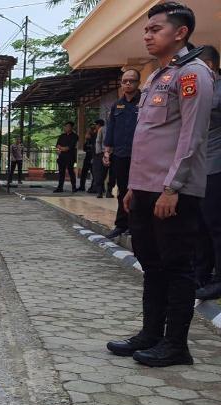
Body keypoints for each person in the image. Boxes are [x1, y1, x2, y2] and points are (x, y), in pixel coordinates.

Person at [106, 2, 214, 368]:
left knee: (176, 266)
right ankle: (150, 333)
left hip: (174, 191)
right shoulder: (156, 76)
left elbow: (191, 135)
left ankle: (175, 344)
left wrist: (172, 188)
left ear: (180, 32)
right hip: (146, 188)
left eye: (156, 29)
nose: (147, 34)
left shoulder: (193, 74)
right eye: (147, 29)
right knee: (151, 264)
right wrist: (135, 186)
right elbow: (148, 137)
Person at [195, 45, 221, 300]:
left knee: (215, 224)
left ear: (210, 66)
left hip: (216, 166)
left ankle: (218, 278)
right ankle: (200, 274)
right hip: (199, 167)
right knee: (200, 224)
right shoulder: (203, 90)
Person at [103, 69, 142, 238]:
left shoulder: (144, 102)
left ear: (138, 83)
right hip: (120, 154)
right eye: (125, 81)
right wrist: (107, 150)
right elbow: (110, 128)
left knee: (138, 191)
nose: (128, 84)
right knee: (122, 190)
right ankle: (121, 224)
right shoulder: (117, 105)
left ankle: (136, 226)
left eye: (131, 81)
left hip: (140, 155)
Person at [54, 121, 80, 193]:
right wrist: (62, 148)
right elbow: (57, 145)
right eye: (65, 126)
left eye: (68, 126)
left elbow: (69, 147)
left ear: (71, 127)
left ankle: (74, 187)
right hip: (61, 157)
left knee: (71, 172)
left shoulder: (75, 136)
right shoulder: (62, 136)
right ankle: (60, 187)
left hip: (70, 157)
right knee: (61, 172)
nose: (66, 128)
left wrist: (62, 148)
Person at [90, 120, 108, 196]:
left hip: (103, 153)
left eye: (96, 125)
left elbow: (98, 142)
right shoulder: (97, 132)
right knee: (99, 173)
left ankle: (103, 190)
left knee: (101, 173)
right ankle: (100, 190)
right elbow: (97, 142)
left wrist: (99, 153)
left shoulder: (103, 129)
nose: (95, 127)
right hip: (101, 153)